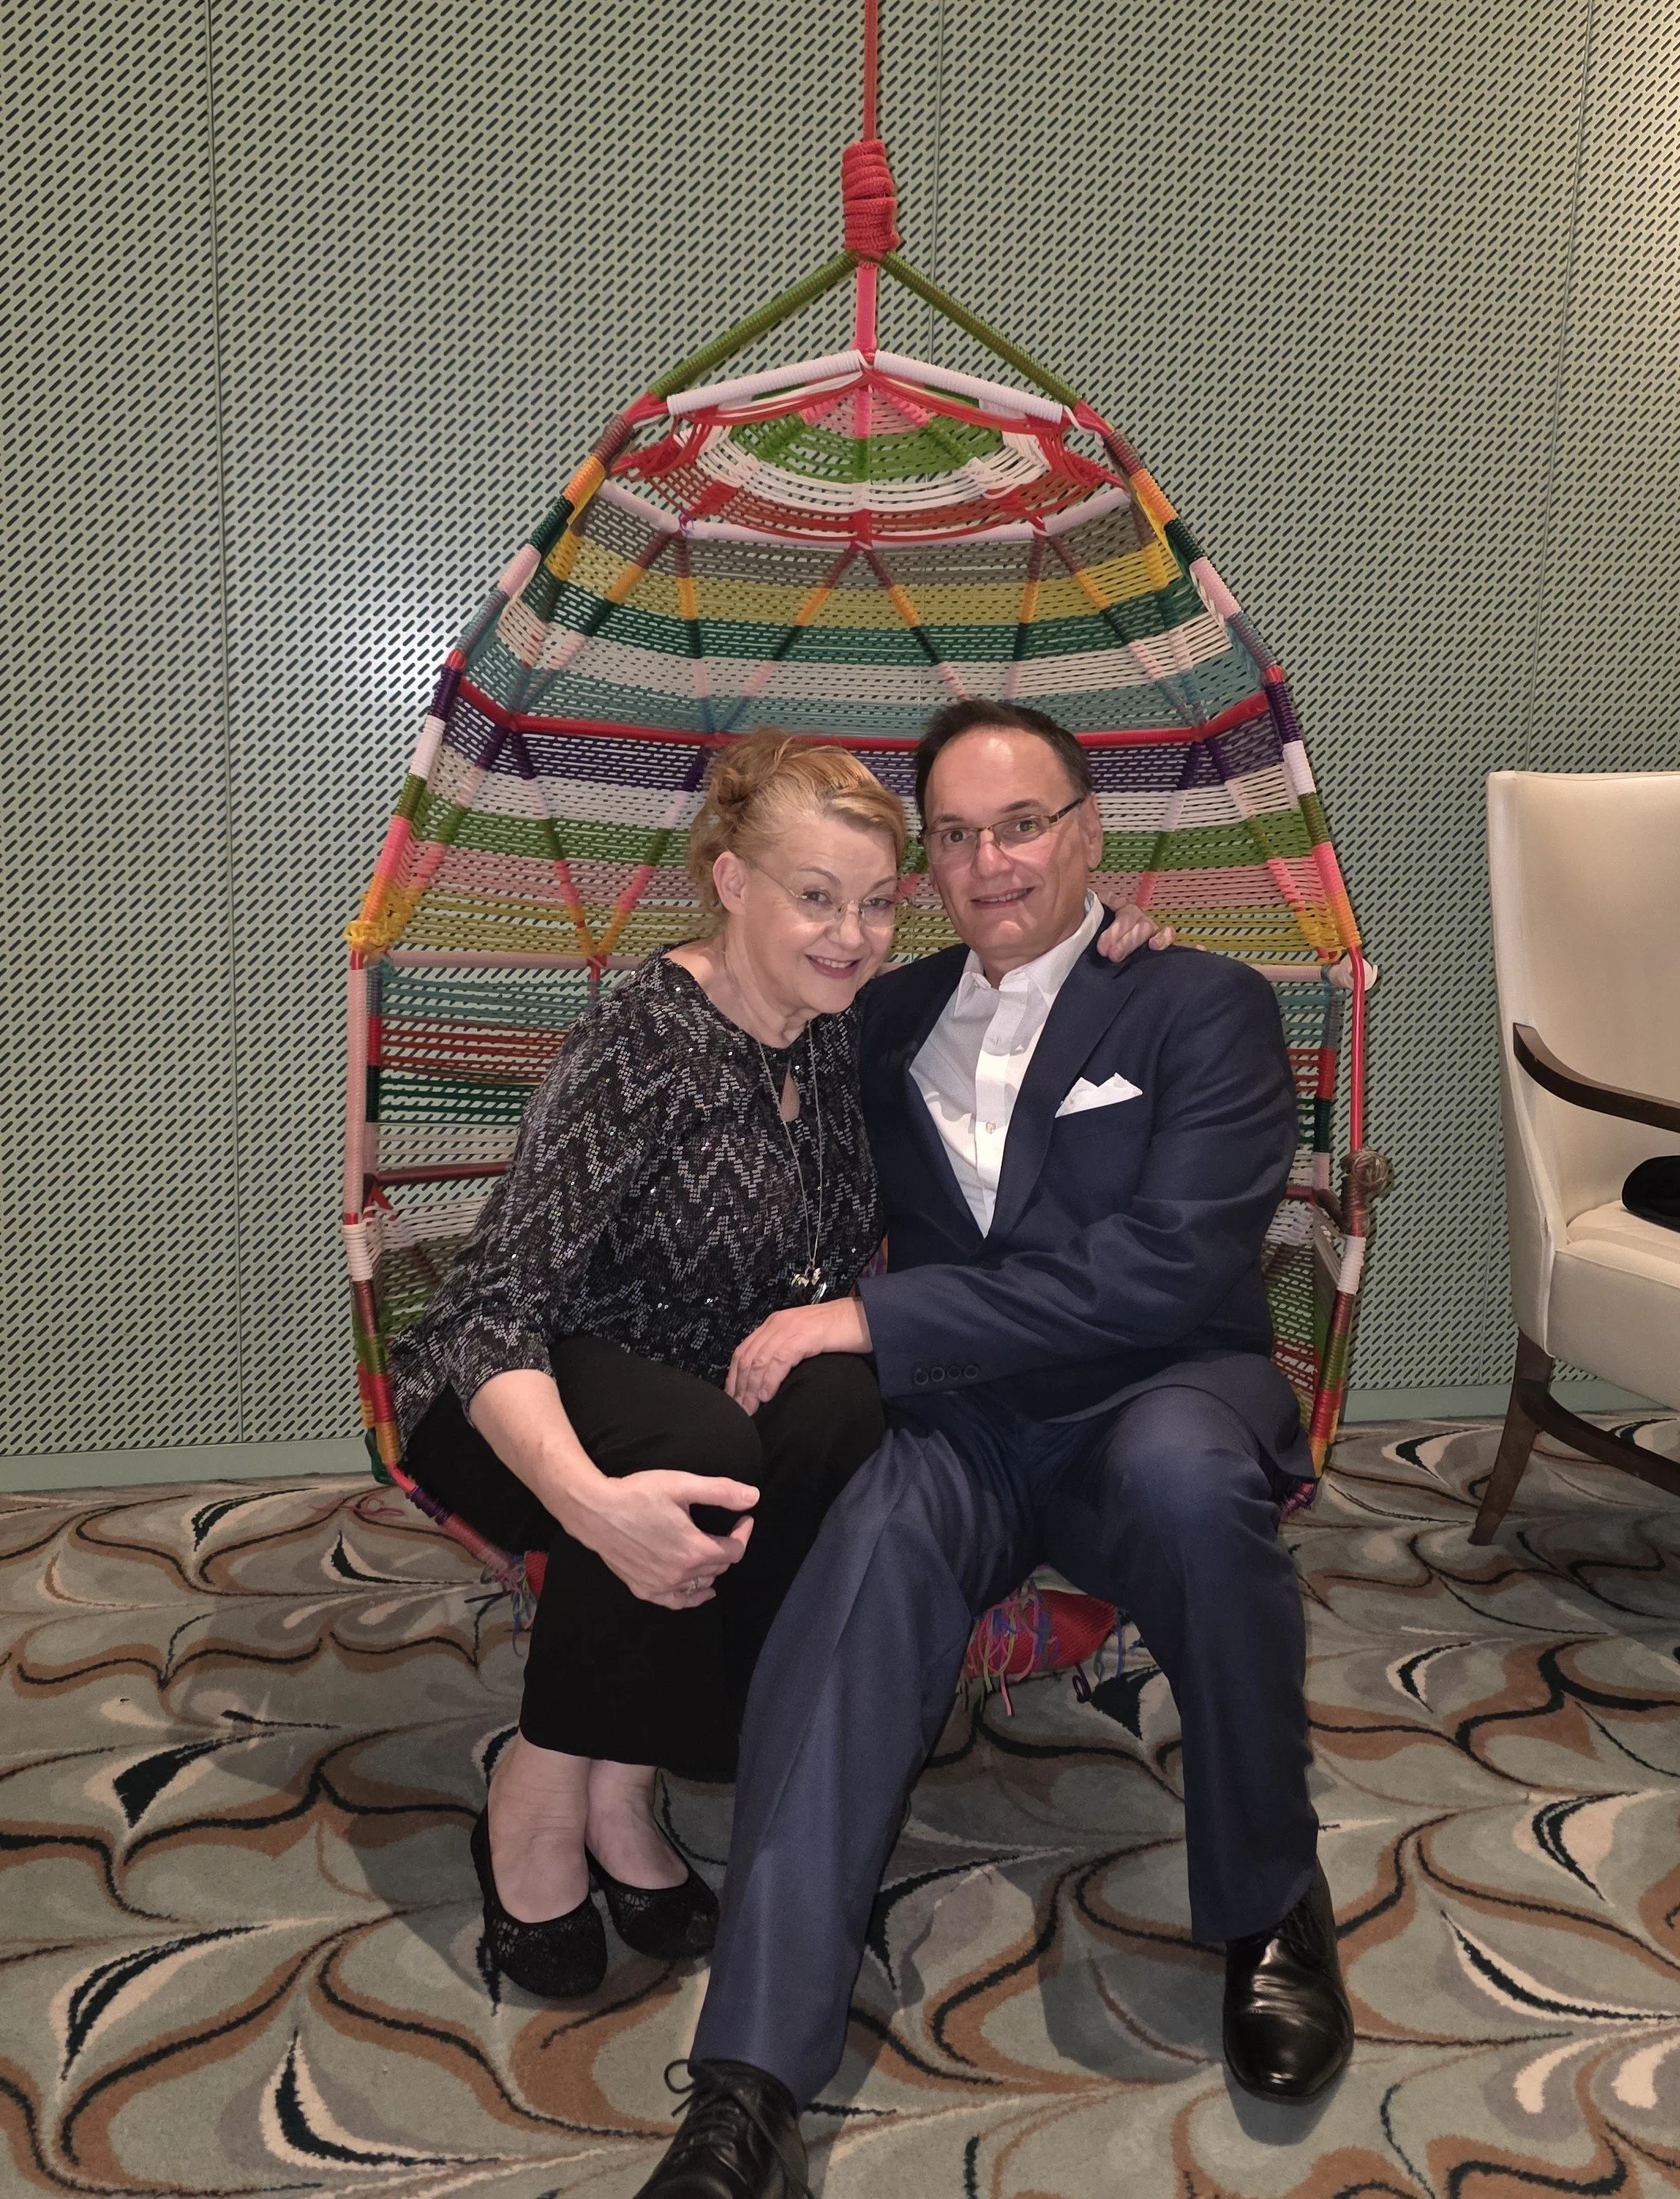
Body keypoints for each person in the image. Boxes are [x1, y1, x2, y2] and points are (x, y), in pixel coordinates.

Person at [637, 700, 1351, 2199]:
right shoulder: (883, 1018)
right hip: (964, 1425)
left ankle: (1273, 1904)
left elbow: (1164, 1268)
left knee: (1184, 1480)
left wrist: (873, 1320)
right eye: (954, 836)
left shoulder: (1203, 1004)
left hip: (1150, 1395)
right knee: (869, 1552)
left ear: (1088, 832)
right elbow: (746, 1021)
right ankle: (747, 2075)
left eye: (1020, 824)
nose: (989, 861)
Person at [389, 731, 901, 1998]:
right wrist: (587, 1503)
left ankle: (627, 1788)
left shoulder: (835, 1033)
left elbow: (1017, 979)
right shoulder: (647, 1040)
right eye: (817, 896)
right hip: (511, 1393)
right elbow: (490, 1309)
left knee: (841, 1402)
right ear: (732, 883)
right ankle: (538, 1795)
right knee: (696, 1455)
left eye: (881, 903)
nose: (853, 934)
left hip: (692, 1397)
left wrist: (1121, 936)